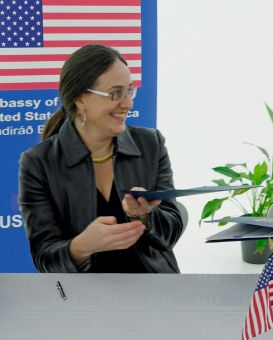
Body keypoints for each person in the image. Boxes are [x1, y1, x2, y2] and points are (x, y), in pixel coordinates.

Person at [19, 44, 185, 273]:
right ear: (80, 99)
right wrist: (81, 246)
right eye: (115, 93)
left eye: (130, 90)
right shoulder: (38, 163)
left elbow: (171, 232)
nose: (128, 103)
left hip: (153, 292)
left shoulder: (151, 144)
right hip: (83, 300)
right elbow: (44, 257)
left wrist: (146, 216)